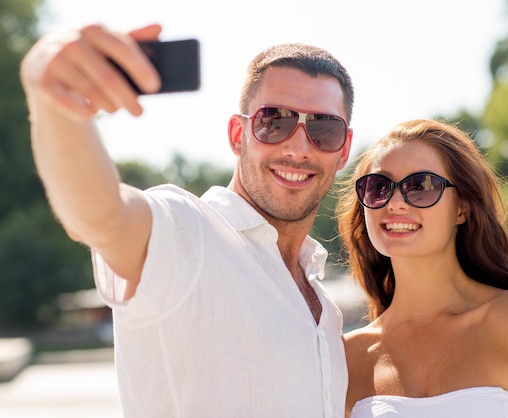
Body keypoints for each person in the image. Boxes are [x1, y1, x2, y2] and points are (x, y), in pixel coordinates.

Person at [20, 23, 354, 417]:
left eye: (323, 128)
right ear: (237, 134)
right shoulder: (187, 232)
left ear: (344, 149)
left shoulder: (325, 312)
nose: (298, 148)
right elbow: (101, 215)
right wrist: (51, 100)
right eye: (274, 121)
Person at [335, 119, 508, 417]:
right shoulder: (347, 358)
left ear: (462, 208)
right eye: (378, 187)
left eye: (421, 186)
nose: (395, 203)